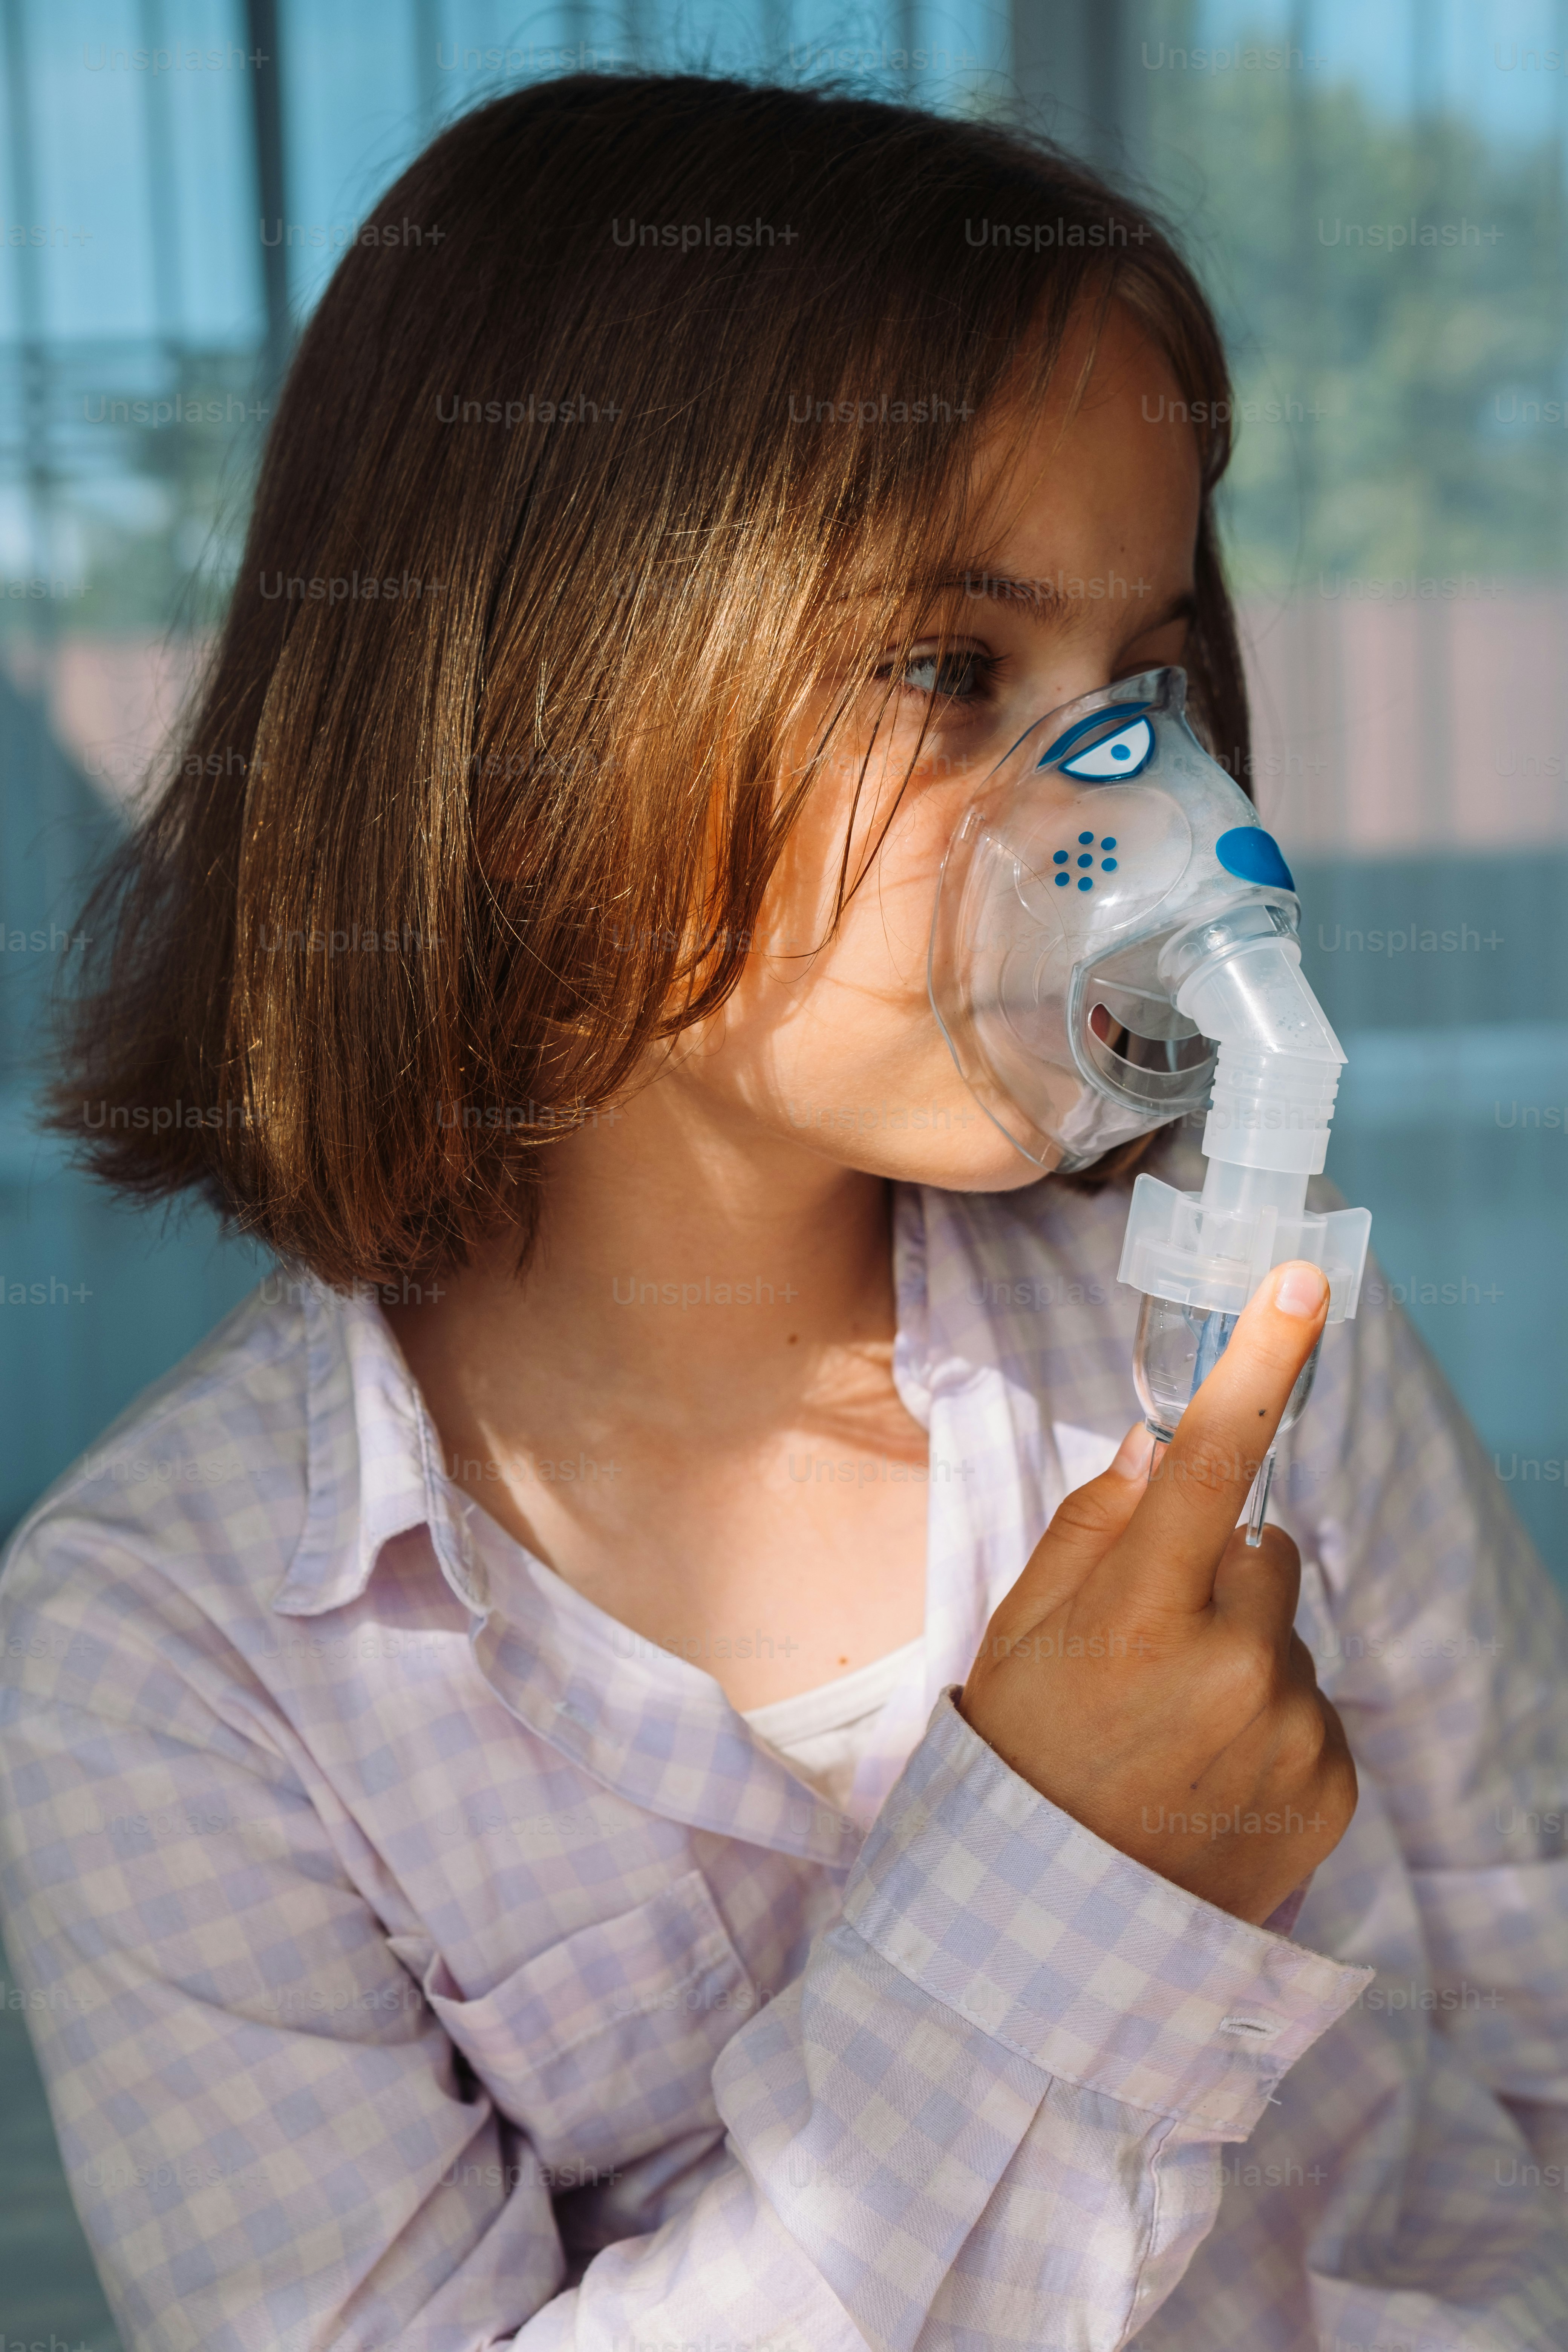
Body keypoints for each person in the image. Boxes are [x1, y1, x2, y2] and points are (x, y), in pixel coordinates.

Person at [2, 72, 1565, 2352]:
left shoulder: (1270, 1352)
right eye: (953, 668)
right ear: (523, 722)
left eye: (1137, 685)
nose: (1152, 819)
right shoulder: (174, 1662)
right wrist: (1076, 1886)